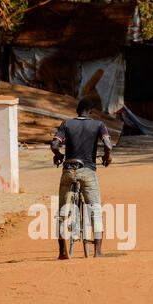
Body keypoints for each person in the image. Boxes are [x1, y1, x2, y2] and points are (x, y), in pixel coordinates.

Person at [51, 98, 112, 259]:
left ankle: (62, 252)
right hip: (87, 171)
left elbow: (54, 144)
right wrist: (107, 157)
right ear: (90, 112)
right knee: (95, 210)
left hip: (68, 169)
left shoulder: (66, 124)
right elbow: (108, 144)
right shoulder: (98, 125)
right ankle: (98, 252)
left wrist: (58, 155)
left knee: (61, 210)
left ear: (77, 111)